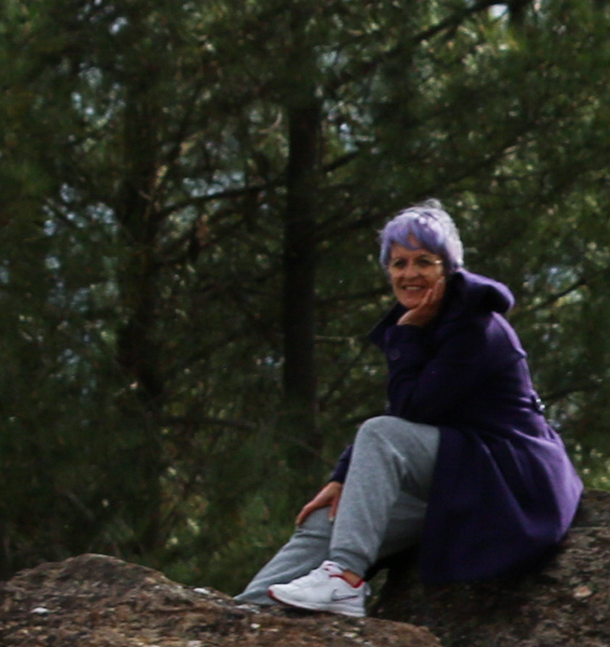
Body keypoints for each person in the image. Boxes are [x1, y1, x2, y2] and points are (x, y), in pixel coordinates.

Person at [245, 202, 585, 614]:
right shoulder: (433, 322)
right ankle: (244, 613)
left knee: (377, 432)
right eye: (399, 263)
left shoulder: (475, 326)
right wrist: (343, 478)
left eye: (424, 261)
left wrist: (405, 338)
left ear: (449, 268)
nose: (409, 274)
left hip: (510, 480)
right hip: (463, 474)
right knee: (328, 520)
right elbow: (405, 414)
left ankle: (345, 579)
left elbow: (413, 410)